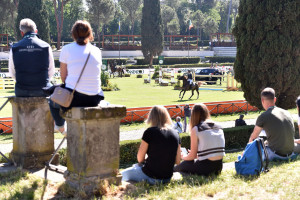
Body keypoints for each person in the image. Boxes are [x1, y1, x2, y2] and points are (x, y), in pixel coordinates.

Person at [49, 20, 104, 135]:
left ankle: (59, 126)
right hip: (95, 98)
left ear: (73, 34)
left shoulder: (67, 49)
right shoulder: (97, 51)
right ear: (90, 34)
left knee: (52, 101)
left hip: (75, 98)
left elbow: (63, 77)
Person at [121, 105, 181, 185]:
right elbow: (177, 161)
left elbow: (140, 159)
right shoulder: (176, 133)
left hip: (151, 176)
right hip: (167, 177)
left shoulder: (149, 132)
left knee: (122, 174)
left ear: (151, 117)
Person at [174, 103, 225, 176]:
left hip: (206, 168)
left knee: (182, 165)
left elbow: (192, 156)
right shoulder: (219, 126)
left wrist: (183, 156)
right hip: (219, 167)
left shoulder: (197, 129)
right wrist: (199, 154)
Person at [9, 18, 55, 97]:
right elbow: (51, 71)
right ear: (36, 31)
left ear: (22, 33)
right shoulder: (46, 46)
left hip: (21, 91)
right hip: (43, 90)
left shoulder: (14, 48)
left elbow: (12, 73)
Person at [248, 88, 295, 160]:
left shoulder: (263, 116)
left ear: (262, 101)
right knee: (265, 143)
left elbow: (253, 138)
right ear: (275, 99)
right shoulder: (287, 113)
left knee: (257, 148)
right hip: (290, 154)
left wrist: (245, 153)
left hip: (276, 154)